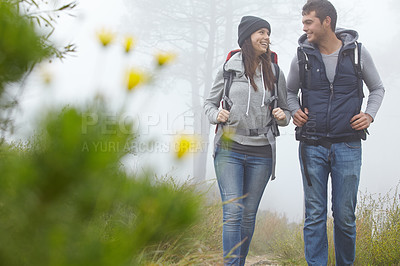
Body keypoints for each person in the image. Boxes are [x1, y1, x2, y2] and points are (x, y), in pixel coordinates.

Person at [286, 0, 385, 265]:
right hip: (311, 145)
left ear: (326, 21)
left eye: (309, 21)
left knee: (344, 216)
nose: (304, 27)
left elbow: (377, 88)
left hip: (348, 146)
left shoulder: (357, 54)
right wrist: (294, 110)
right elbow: (287, 93)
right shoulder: (301, 56)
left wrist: (369, 115)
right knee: (315, 214)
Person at [204, 15, 290, 266]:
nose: (266, 37)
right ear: (247, 38)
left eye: (268, 33)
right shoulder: (229, 68)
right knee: (233, 213)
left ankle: (238, 263)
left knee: (248, 216)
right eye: (260, 33)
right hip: (229, 148)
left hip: (261, 152)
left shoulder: (275, 71)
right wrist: (215, 114)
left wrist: (283, 116)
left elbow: (286, 112)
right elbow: (209, 104)